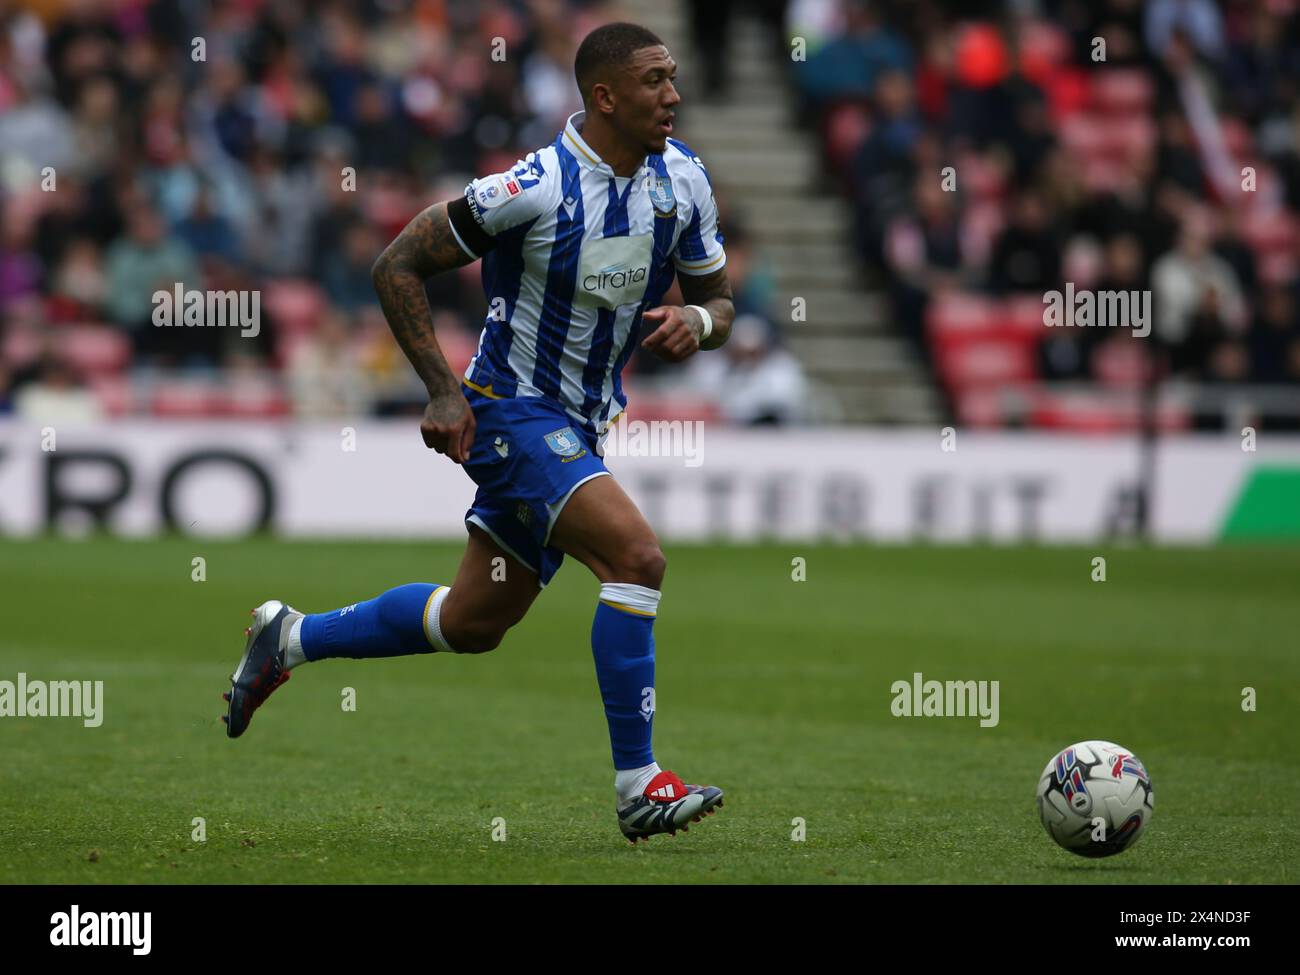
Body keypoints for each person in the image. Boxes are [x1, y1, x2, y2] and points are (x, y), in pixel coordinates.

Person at [222, 23, 734, 843]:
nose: (673, 94)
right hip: (508, 412)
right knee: (636, 558)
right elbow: (396, 263)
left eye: (673, 77)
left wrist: (700, 319)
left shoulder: (685, 182)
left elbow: (723, 300)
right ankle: (640, 783)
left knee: (471, 622)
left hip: (582, 426)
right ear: (605, 96)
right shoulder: (534, 186)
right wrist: (442, 390)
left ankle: (290, 636)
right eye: (654, 80)